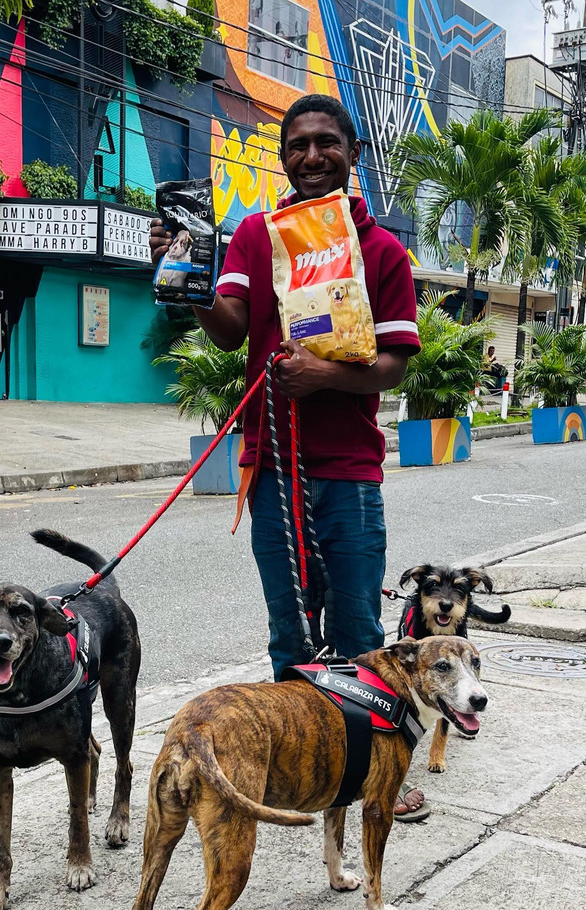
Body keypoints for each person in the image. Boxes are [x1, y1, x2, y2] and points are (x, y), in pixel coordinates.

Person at [150, 94, 427, 820]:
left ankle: (371, 778)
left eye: (326, 143)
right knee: (289, 629)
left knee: (360, 632)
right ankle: (306, 765)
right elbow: (229, 331)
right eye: (298, 144)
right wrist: (190, 279)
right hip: (271, 466)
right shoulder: (254, 235)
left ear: (352, 153)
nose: (311, 156)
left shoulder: (382, 250)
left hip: (350, 472)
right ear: (283, 155)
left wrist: (327, 376)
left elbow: (395, 362)